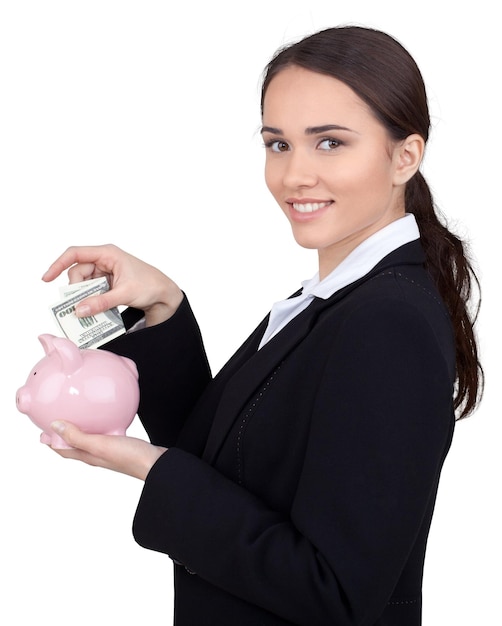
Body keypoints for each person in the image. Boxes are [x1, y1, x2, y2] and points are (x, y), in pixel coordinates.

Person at [41, 25, 482, 626]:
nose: (294, 175)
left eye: (329, 143)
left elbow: (338, 594)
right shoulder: (335, 300)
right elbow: (231, 464)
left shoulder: (386, 323)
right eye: (279, 144)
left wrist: (151, 468)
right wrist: (163, 308)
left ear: (405, 155)